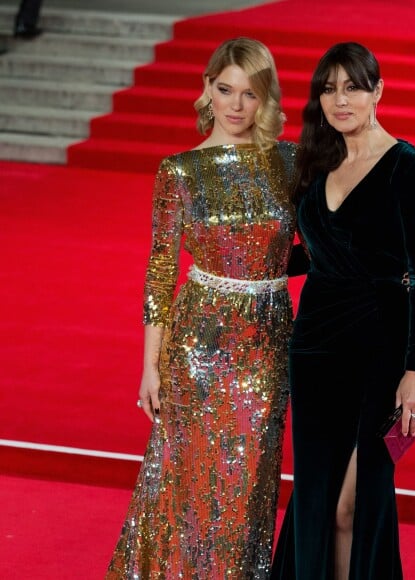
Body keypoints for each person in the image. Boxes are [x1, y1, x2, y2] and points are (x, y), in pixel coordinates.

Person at [106, 37, 297, 579]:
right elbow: (160, 271)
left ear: (266, 99)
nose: (236, 105)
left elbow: (318, 246)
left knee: (249, 482)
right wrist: (150, 365)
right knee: (186, 481)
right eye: (225, 89)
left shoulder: (289, 163)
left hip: (267, 341)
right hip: (198, 346)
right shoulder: (180, 172)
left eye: (250, 93)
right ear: (207, 90)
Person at [272, 42, 415, 579]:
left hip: (381, 351)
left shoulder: (410, 171)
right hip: (315, 347)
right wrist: (237, 258)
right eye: (329, 88)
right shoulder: (316, 161)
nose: (340, 100)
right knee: (318, 498)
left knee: (355, 503)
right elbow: (317, 251)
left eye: (353, 87)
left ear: (378, 92)